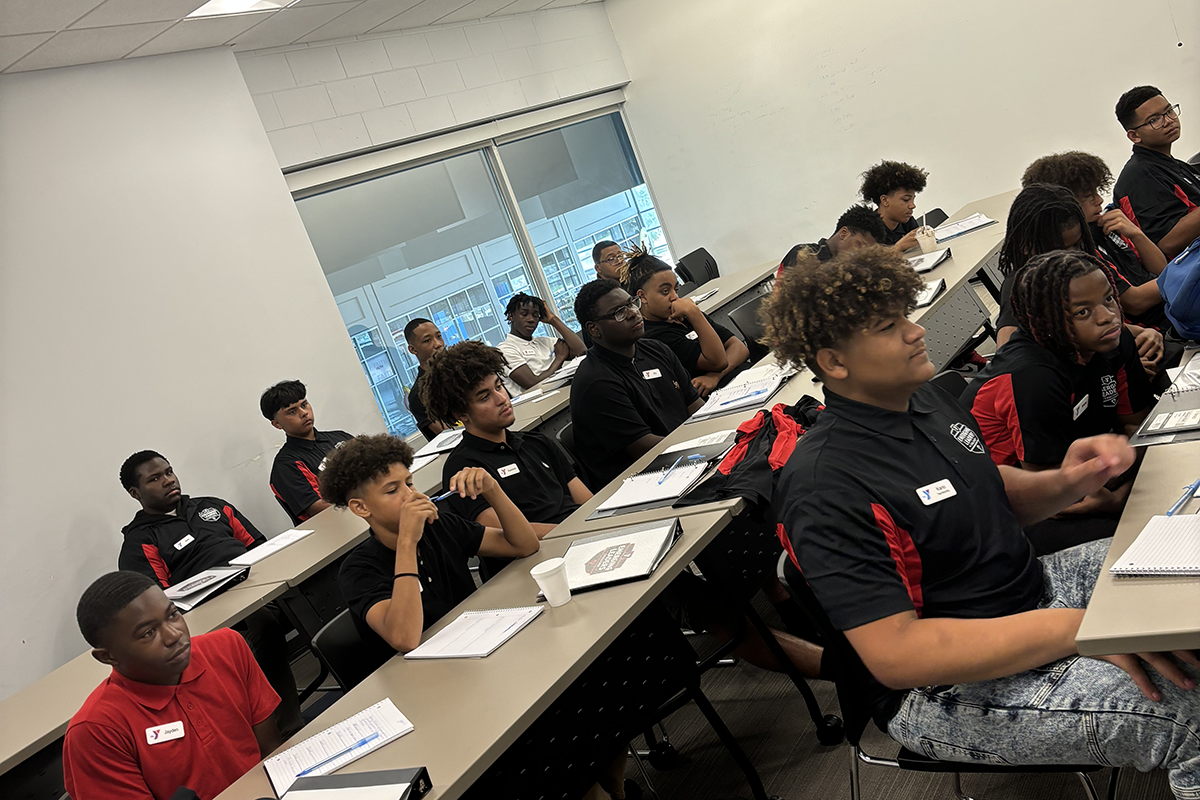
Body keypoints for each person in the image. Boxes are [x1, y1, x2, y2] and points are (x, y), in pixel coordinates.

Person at [763, 246, 1200, 799]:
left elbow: (987, 491)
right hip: (941, 687)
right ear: (834, 362)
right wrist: (1077, 630)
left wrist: (1069, 480)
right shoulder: (826, 486)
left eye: (905, 316)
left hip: (1029, 591)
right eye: (889, 327)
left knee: (1187, 555)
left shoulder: (921, 400)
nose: (917, 332)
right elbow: (898, 655)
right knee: (1190, 718)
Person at [963, 251, 1152, 553]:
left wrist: (1123, 491)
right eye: (1082, 312)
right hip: (1007, 512)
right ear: (1047, 321)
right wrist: (1120, 498)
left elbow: (1141, 428)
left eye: (1108, 299)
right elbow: (1052, 495)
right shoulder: (1032, 378)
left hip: (1083, 474)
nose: (1108, 316)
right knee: (1135, 537)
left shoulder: (1113, 340)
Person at [117, 451, 303, 735]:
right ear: (135, 493)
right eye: (154, 479)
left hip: (265, 586)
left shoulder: (212, 506)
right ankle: (287, 729)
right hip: (220, 615)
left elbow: (259, 547)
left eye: (168, 472)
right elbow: (159, 604)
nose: (168, 480)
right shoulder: (140, 541)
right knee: (263, 624)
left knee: (318, 585)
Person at [63, 571, 282, 800]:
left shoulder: (227, 647)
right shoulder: (96, 731)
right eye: (148, 633)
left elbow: (273, 754)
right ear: (107, 657)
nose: (174, 635)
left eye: (173, 614)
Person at [323, 434, 539, 654]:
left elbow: (524, 545)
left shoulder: (438, 526)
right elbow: (405, 639)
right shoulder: (358, 569)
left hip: (477, 640)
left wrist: (492, 489)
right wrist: (407, 540)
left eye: (409, 483)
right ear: (361, 508)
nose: (410, 495)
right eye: (392, 491)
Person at [994, 184, 1165, 378]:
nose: (1072, 255)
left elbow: (1094, 323)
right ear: (1027, 247)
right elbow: (1009, 363)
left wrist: (1141, 333)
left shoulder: (1080, 263)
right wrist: (1121, 369)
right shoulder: (1021, 288)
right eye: (1060, 249)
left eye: (1077, 245)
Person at [422, 340, 592, 532]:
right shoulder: (463, 469)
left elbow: (588, 504)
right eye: (485, 397)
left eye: (499, 386)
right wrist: (578, 530)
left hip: (583, 532)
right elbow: (509, 535)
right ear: (461, 414)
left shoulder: (536, 442)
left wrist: (599, 526)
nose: (502, 399)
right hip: (547, 545)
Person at [569, 279, 704, 487]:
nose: (633, 313)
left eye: (631, 303)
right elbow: (645, 448)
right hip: (647, 479)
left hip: (685, 457)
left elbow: (697, 407)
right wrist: (702, 444)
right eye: (619, 312)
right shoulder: (596, 382)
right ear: (594, 329)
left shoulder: (656, 349)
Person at [1022, 151, 1170, 332]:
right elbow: (1135, 302)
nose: (1099, 200)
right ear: (1065, 201)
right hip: (1155, 327)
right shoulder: (1079, 249)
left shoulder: (1105, 225)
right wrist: (1182, 275)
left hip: (1168, 305)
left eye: (1096, 192)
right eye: (1088, 195)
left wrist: (1137, 235)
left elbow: (1161, 269)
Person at [622, 251, 751, 397]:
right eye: (665, 291)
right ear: (642, 296)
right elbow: (718, 362)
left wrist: (714, 376)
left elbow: (739, 347)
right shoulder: (654, 336)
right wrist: (694, 313)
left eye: (676, 289)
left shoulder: (684, 313)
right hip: (720, 396)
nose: (675, 297)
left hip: (742, 378)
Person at [1113, 85, 1200, 260]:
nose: (1168, 121)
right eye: (1154, 120)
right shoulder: (1140, 176)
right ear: (1134, 136)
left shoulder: (1173, 164)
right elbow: (1168, 242)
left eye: (1169, 111)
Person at [261, 380, 354, 525]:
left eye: (304, 405)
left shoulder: (341, 437)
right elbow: (320, 508)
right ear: (277, 424)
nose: (304, 413)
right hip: (342, 528)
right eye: (292, 411)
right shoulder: (286, 465)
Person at [495, 292, 586, 397]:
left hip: (562, 394)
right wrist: (559, 358)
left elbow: (581, 351)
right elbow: (533, 384)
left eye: (535, 315)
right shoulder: (505, 349)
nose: (531, 320)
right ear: (511, 316)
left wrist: (553, 320)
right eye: (524, 314)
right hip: (537, 403)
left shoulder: (545, 341)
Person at [779, 203, 888, 271]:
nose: (861, 256)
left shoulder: (849, 272)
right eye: (860, 246)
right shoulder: (804, 254)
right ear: (844, 233)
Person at [860, 160, 929, 250]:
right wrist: (896, 248)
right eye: (906, 200)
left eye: (913, 199)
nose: (912, 205)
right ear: (885, 200)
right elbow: (868, 259)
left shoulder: (907, 222)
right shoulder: (868, 233)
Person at [402, 317, 447, 441]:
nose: (438, 344)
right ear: (413, 349)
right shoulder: (419, 394)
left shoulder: (463, 370)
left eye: (439, 337)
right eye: (427, 341)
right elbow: (449, 435)